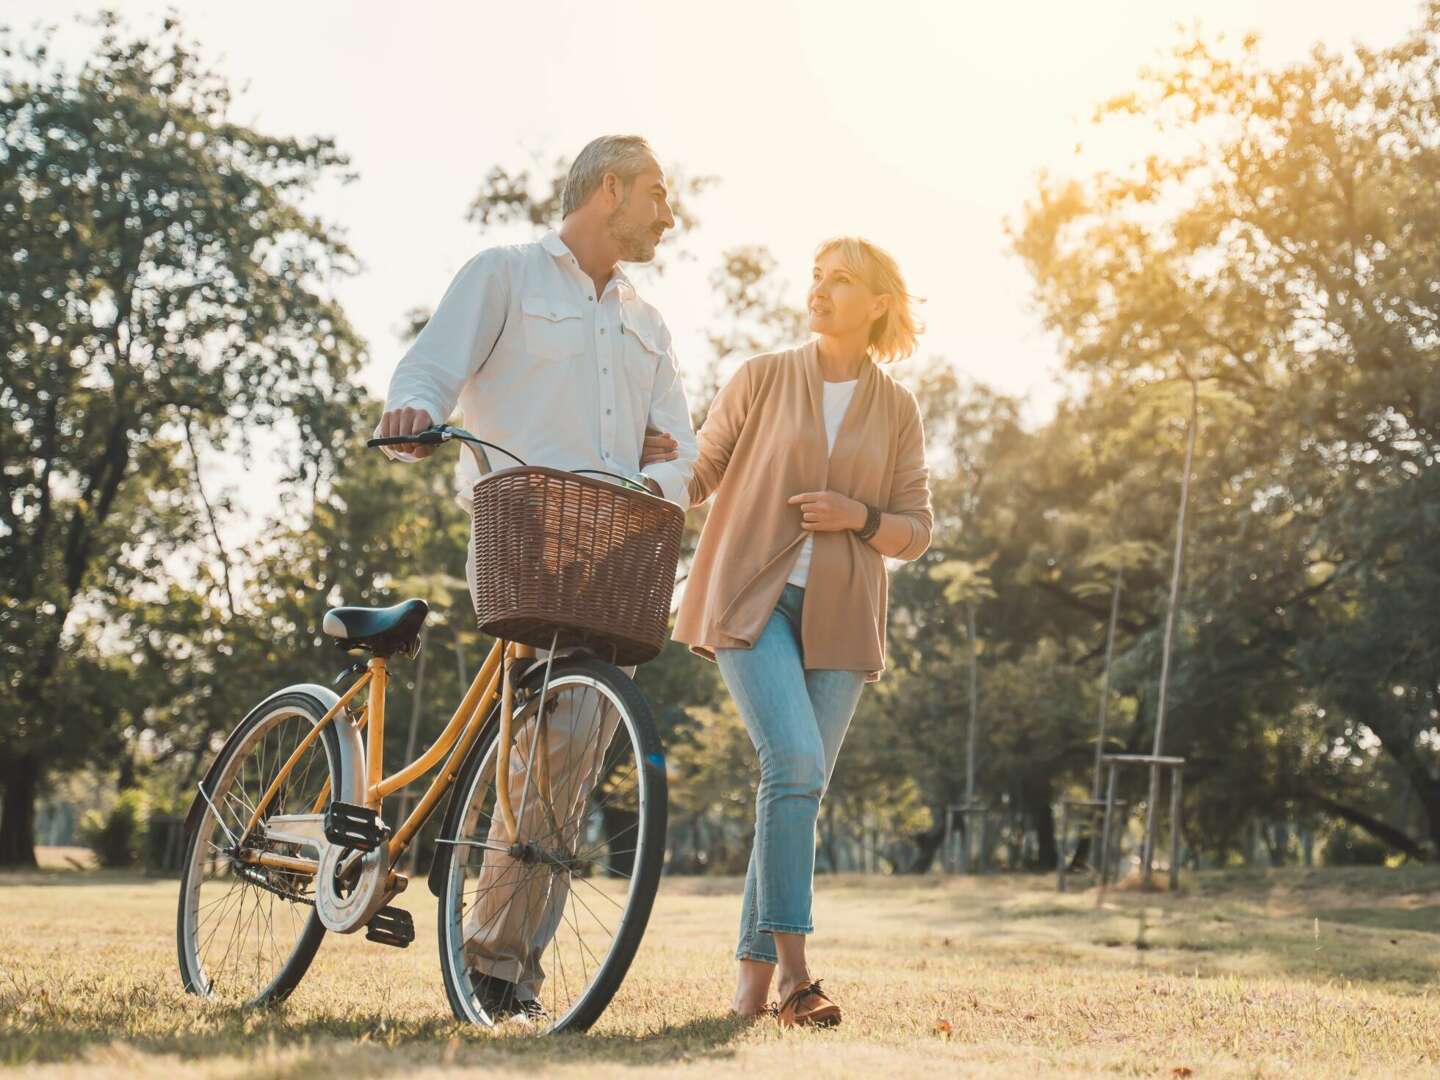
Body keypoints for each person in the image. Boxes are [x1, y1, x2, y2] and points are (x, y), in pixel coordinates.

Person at [375, 134, 698, 1020]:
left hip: (617, 553)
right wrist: (414, 410)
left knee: (571, 755)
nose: (669, 216)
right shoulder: (506, 274)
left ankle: (500, 961)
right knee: (545, 754)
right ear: (608, 191)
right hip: (525, 540)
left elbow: (686, 447)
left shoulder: (648, 321)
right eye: (658, 196)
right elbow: (433, 364)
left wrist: (648, 474)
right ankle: (497, 966)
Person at [649, 236, 932, 1027]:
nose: (820, 290)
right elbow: (700, 472)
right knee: (797, 764)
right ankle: (797, 981)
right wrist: (655, 469)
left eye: (840, 280)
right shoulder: (762, 377)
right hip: (750, 600)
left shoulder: (898, 408)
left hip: (843, 621)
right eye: (816, 277)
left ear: (876, 303)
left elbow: (918, 530)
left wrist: (861, 518)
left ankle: (748, 988)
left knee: (794, 788)